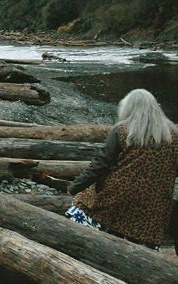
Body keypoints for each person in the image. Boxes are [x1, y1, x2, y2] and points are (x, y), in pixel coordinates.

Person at [65, 88, 178, 249]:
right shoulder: (173, 136)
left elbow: (99, 166)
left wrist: (74, 188)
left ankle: (93, 242)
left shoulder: (123, 131)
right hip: (154, 207)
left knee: (83, 202)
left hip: (118, 199)